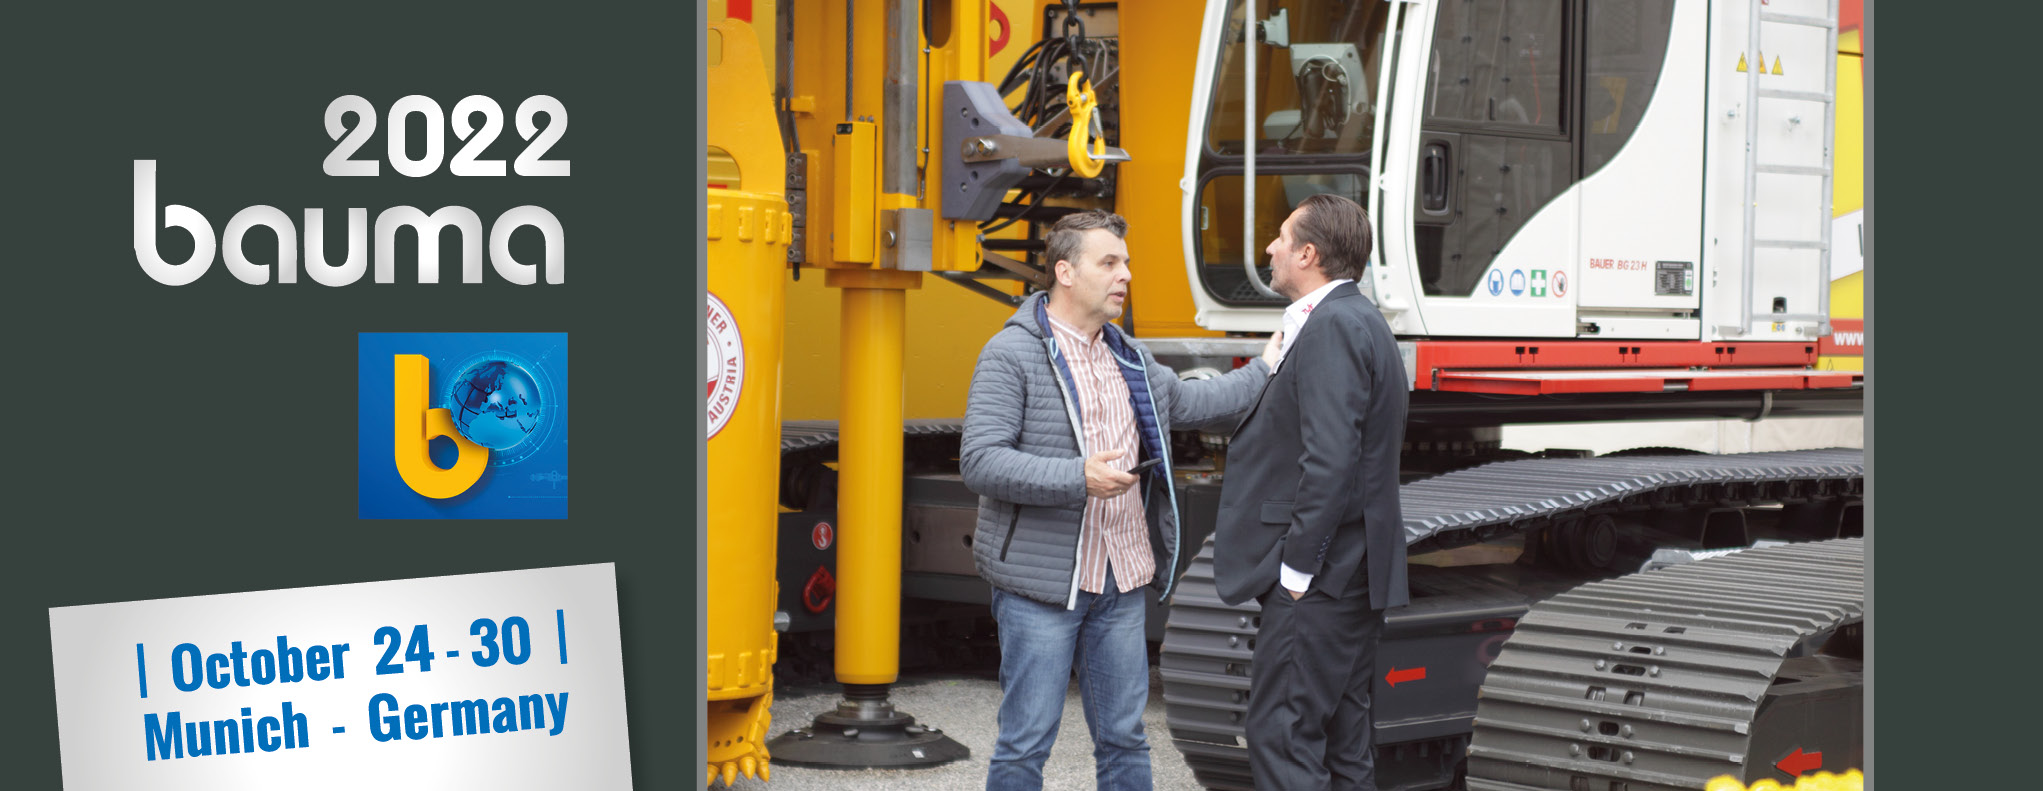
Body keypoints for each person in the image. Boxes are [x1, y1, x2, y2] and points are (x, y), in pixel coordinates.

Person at [962, 210, 1279, 791]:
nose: (1125, 274)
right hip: (1042, 587)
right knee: (1026, 743)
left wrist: (1265, 368)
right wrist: (1078, 476)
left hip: (1120, 580)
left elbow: (1193, 405)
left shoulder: (1127, 354)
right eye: (1109, 262)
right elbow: (981, 461)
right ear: (1065, 272)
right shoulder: (1010, 354)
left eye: (1125, 262)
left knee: (1126, 738)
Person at [1212, 193, 1410, 791]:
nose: (1270, 248)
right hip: (1352, 571)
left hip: (1323, 577)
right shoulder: (1360, 319)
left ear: (1308, 253)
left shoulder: (1333, 326)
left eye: (1280, 237)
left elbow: (1330, 459)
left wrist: (1297, 570)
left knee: (1283, 737)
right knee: (1345, 742)